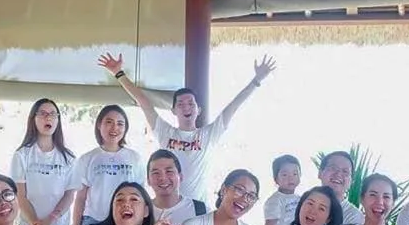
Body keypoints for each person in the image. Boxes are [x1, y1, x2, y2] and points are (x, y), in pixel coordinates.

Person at [98, 51, 277, 200]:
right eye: (181, 104)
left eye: (191, 104)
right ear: (174, 110)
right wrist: (119, 74)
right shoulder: (164, 132)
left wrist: (256, 81)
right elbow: (143, 101)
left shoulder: (209, 135)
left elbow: (234, 106)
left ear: (198, 110)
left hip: (199, 208)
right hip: (169, 206)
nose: (186, 107)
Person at [11, 98, 77, 225]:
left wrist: (48, 222)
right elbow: (20, 196)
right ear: (34, 118)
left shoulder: (68, 158)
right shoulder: (22, 155)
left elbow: (69, 196)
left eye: (53, 114)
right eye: (43, 114)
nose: (48, 118)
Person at [71, 104, 145, 225]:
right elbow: (80, 198)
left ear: (125, 128)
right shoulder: (87, 158)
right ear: (99, 125)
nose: (114, 128)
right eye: (109, 122)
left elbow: (140, 197)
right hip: (93, 221)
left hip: (125, 221)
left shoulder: (135, 158)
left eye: (120, 123)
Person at [146, 149, 207, 225]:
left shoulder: (201, 211)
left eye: (169, 171)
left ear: (181, 177)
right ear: (148, 180)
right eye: (156, 173)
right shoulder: (141, 213)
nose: (163, 178)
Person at [263, 154, 302, 225]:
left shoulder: (301, 198)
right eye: (285, 175)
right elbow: (269, 224)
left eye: (295, 174)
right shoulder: (274, 200)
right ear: (276, 179)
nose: (291, 178)